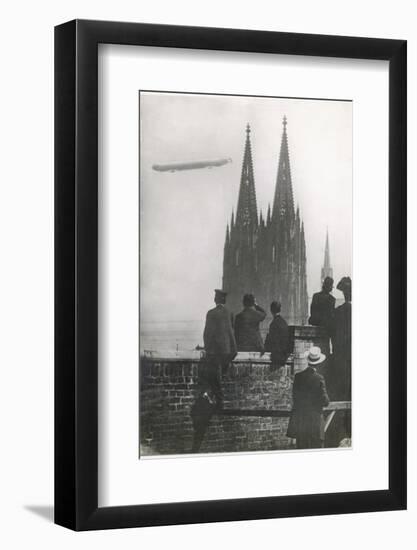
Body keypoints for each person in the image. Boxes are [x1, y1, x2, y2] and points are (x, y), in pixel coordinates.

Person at [287, 346, 330, 449]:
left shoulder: (298, 377)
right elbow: (325, 401)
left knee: (301, 447)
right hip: (314, 421)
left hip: (300, 421)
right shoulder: (319, 378)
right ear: (319, 363)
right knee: (314, 447)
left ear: (308, 361)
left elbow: (295, 397)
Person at [202, 289, 237, 409]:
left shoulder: (211, 313)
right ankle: (211, 395)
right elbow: (231, 331)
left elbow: (207, 333)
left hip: (216, 351)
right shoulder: (230, 313)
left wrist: (207, 348)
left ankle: (219, 401)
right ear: (224, 300)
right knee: (219, 375)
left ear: (215, 299)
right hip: (229, 351)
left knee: (213, 375)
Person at [309, 276, 336, 355]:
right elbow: (331, 317)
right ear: (330, 287)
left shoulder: (315, 296)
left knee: (315, 353)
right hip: (326, 331)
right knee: (324, 353)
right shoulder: (332, 299)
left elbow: (312, 312)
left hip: (316, 330)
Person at [264, 301, 290, 370]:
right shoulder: (284, 322)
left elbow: (271, 341)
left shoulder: (273, 324)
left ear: (271, 310)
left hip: (277, 357)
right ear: (280, 309)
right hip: (284, 355)